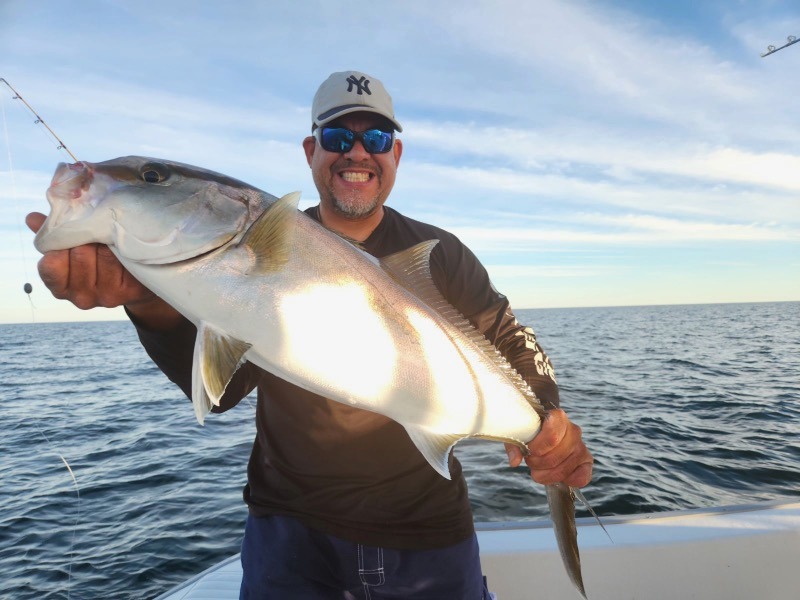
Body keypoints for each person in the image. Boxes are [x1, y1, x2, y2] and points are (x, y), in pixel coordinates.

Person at [27, 70, 593, 599]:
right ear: (310, 151)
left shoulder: (439, 254)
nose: (357, 152)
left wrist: (545, 419)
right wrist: (149, 303)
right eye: (336, 136)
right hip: (289, 531)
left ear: (395, 155)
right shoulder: (211, 270)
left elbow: (510, 336)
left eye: (375, 136)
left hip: (427, 529)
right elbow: (221, 393)